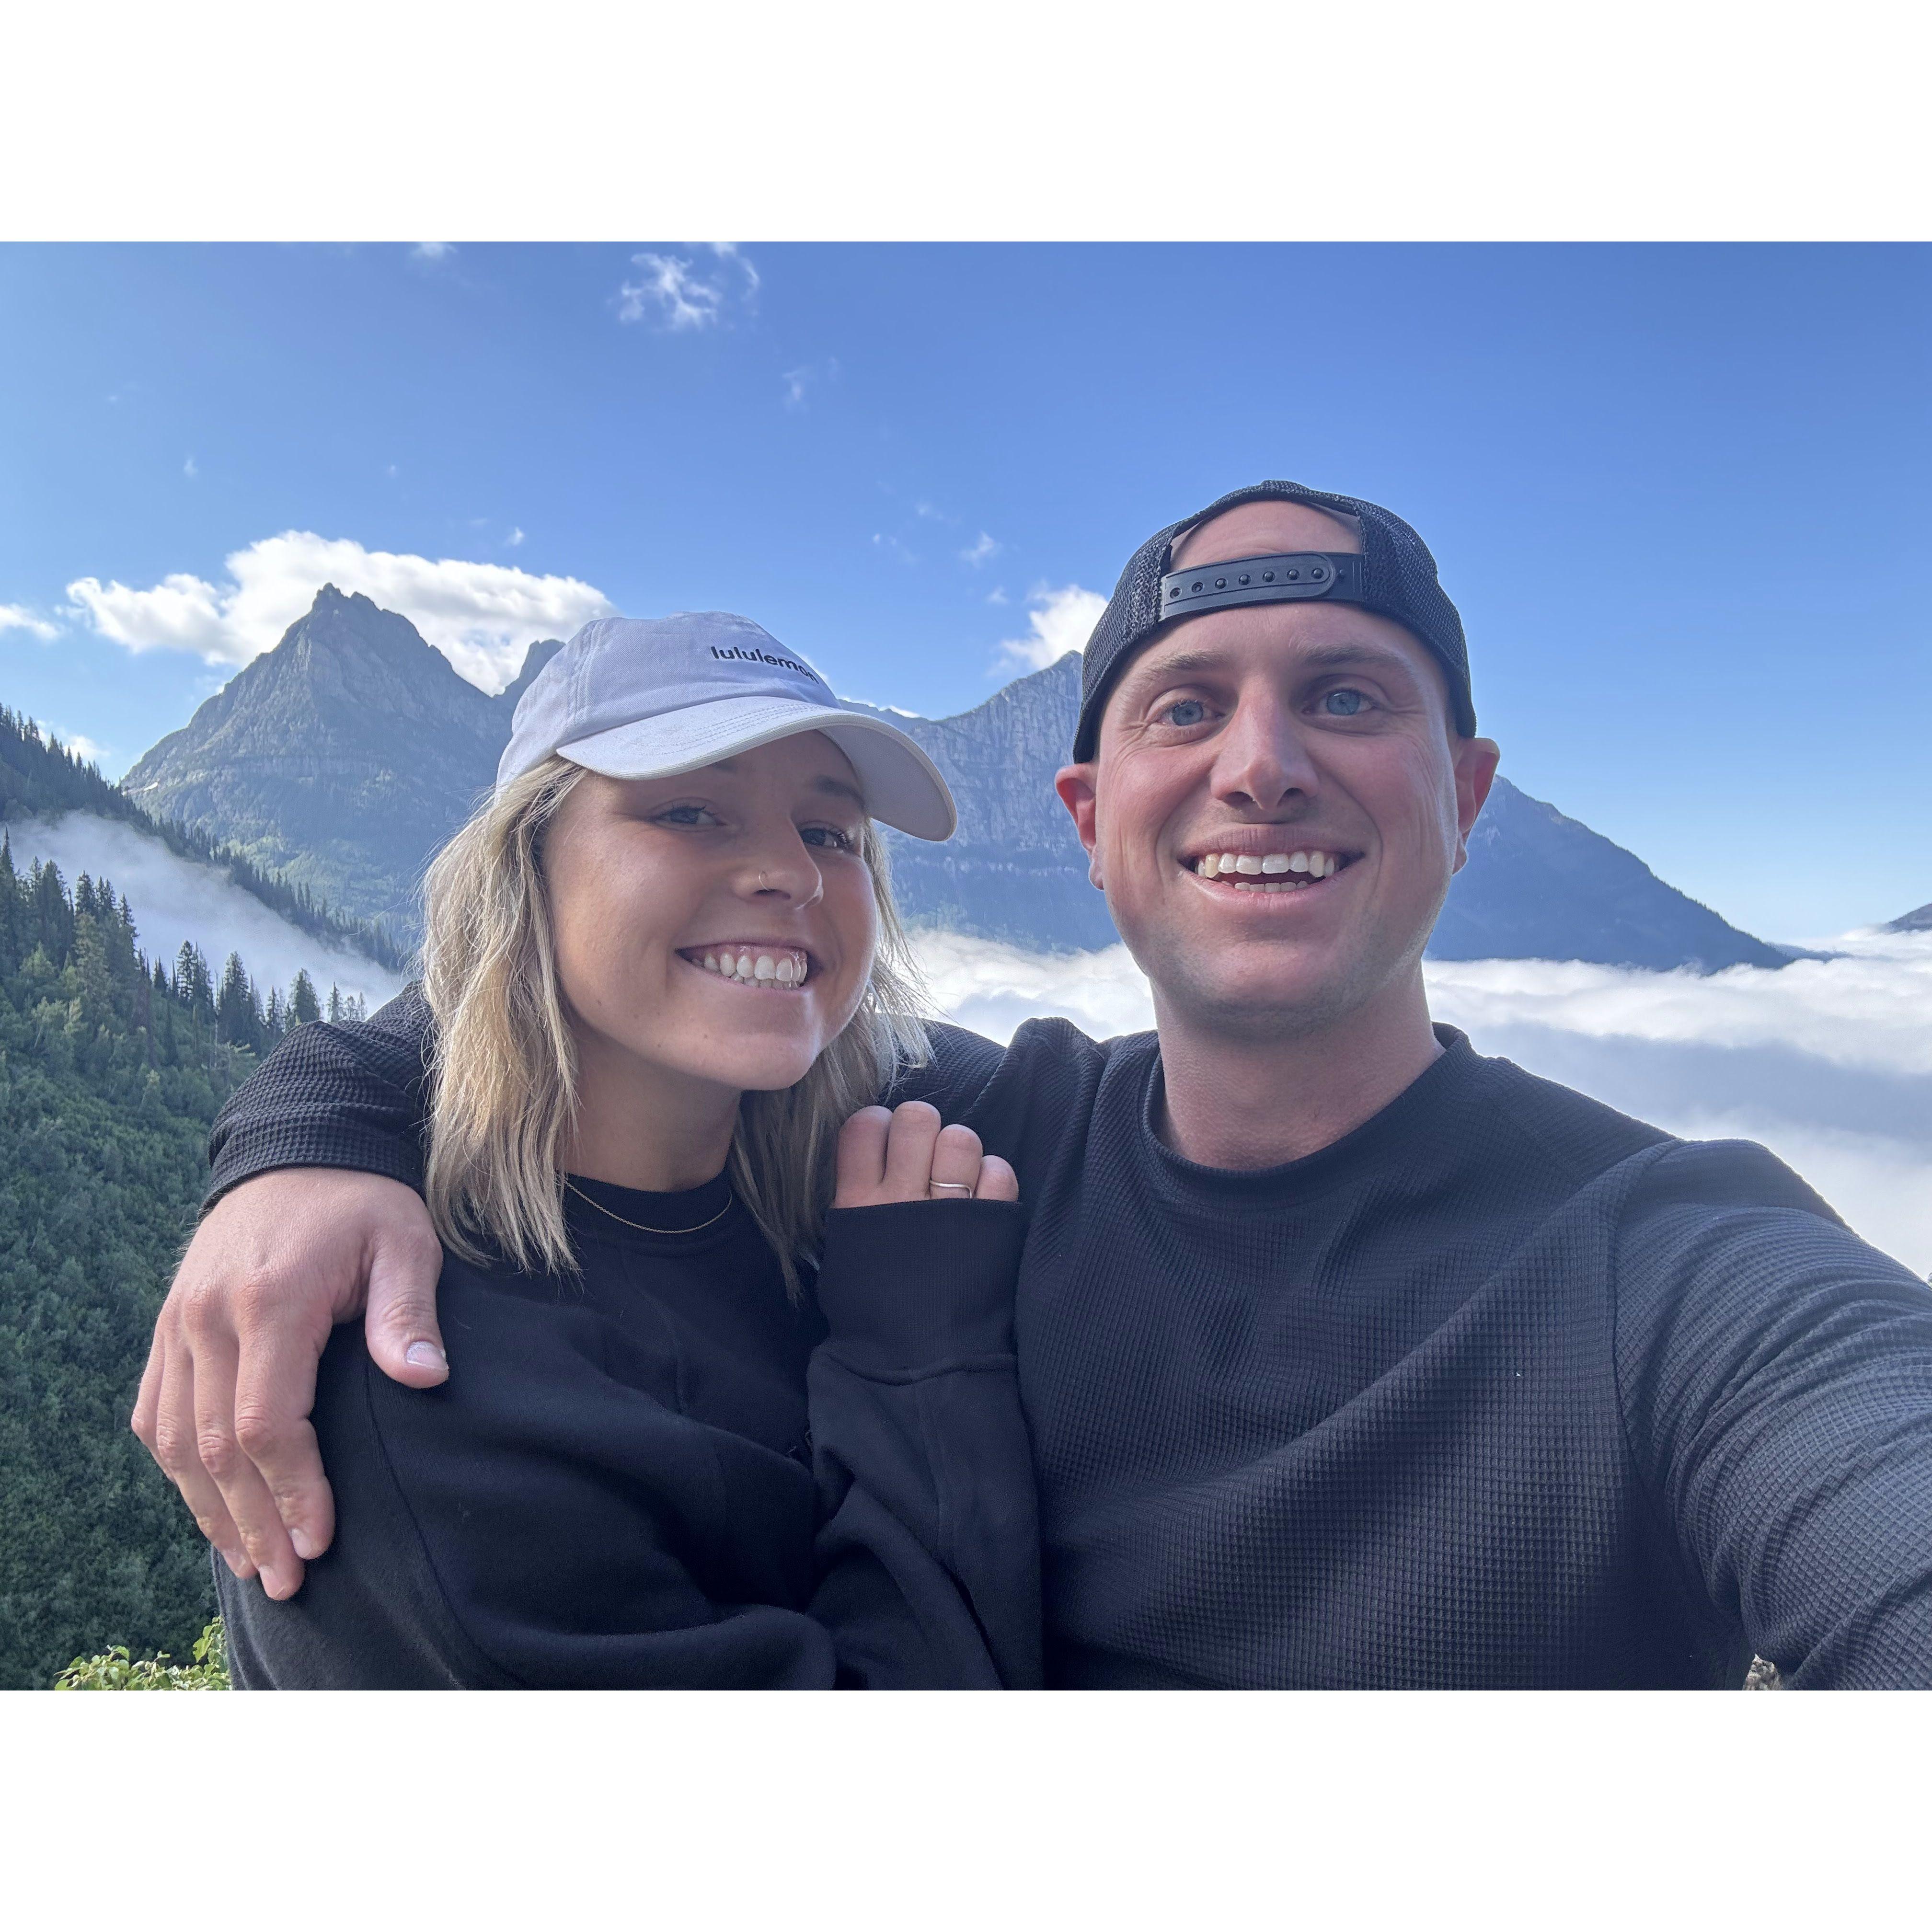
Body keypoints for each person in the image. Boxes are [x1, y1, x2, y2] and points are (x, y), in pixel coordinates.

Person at [138, 483, 1932, 1688]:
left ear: (1467, 795)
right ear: (1087, 818)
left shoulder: (1679, 1271)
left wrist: (305, 1135)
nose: (1262, 766)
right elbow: (573, 1008)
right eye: (1185, 707)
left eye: (1346, 698)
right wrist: (312, 1137)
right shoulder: (985, 1148)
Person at [182, 611, 1040, 1688]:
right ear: (524, 870)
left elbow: (1125, 1088)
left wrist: (306, 1115)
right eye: (690, 811)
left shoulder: (846, 1128)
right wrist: (922, 1354)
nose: (794, 873)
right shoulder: (426, 1391)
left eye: (832, 832)